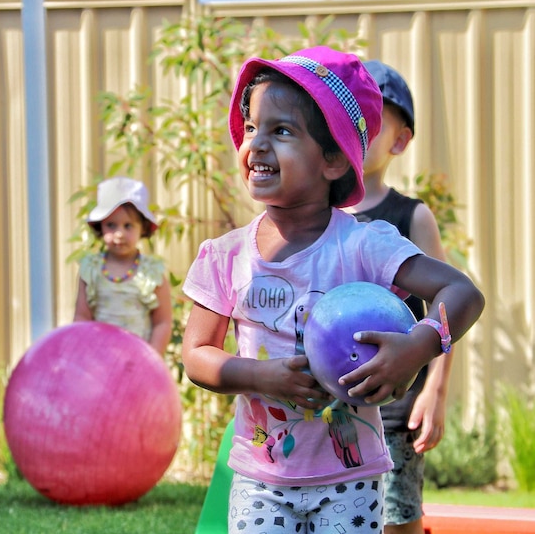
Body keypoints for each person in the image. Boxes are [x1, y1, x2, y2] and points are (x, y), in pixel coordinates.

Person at [180, 46, 484, 533]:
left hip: (351, 478)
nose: (256, 144)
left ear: (335, 160)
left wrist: (419, 346)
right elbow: (195, 355)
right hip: (262, 479)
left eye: (281, 131)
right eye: (253, 127)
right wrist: (260, 377)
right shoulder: (226, 256)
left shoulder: (364, 244)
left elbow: (461, 292)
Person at [346, 59, 452, 534]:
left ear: (400, 140)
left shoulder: (413, 216)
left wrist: (435, 390)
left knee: (397, 514)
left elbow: (446, 307)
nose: (354, 128)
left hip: (395, 403)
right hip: (330, 402)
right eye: (346, 117)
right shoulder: (313, 214)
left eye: (370, 120)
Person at [73, 177, 173, 356]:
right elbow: (82, 317)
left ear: (142, 228)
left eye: (128, 226)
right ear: (100, 226)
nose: (119, 234)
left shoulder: (151, 273)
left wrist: (152, 358)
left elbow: (162, 321)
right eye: (111, 225)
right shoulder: (91, 269)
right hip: (99, 358)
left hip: (137, 361)